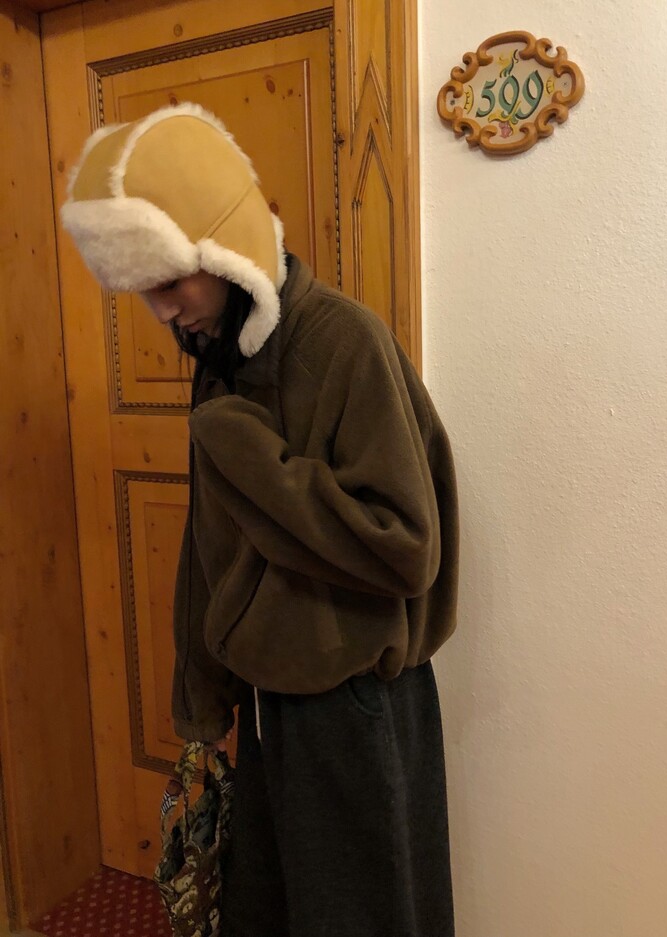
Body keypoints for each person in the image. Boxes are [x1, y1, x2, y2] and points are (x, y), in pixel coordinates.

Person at [62, 102, 459, 937]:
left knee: (363, 920)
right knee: (272, 915)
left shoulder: (343, 343)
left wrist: (255, 463)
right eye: (143, 290)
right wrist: (202, 702)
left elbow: (406, 546)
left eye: (170, 282)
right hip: (270, 702)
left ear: (226, 249)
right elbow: (210, 549)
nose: (161, 311)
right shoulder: (223, 359)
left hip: (357, 707)